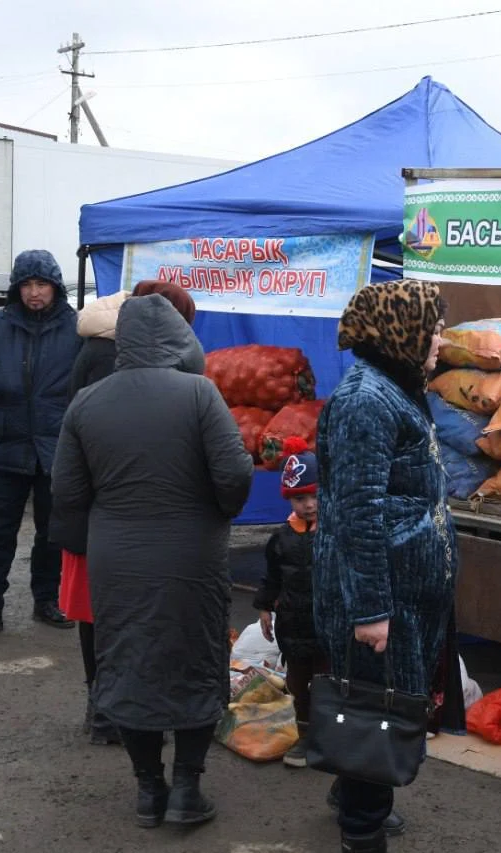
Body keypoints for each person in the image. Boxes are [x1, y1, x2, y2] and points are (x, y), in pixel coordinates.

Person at [52, 294, 252, 828]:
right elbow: (234, 476)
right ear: (176, 339)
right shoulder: (200, 394)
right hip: (193, 552)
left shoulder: (88, 403)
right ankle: (187, 790)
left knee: (128, 656)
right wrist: (216, 511)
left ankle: (148, 792)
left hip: (117, 556)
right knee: (195, 656)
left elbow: (66, 492)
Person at [313, 279, 456, 853]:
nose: (440, 341)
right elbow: (358, 513)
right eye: (434, 330)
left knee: (387, 700)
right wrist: (371, 609)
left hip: (406, 589)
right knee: (374, 706)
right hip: (380, 595)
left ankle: (360, 802)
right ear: (403, 334)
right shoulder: (366, 401)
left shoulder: (396, 390)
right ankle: (361, 830)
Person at [50, 280, 200, 746]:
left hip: (97, 516)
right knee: (104, 617)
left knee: (105, 616)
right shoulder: (106, 360)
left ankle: (108, 708)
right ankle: (105, 710)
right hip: (106, 518)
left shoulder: (107, 352)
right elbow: (106, 446)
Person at [0, 249, 81, 640]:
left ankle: (48, 600)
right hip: (9, 450)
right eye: (26, 284)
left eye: (41, 284)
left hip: (55, 451)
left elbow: (90, 382)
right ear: (16, 288)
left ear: (55, 286)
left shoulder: (75, 327)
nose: (34, 292)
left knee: (52, 534)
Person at [253, 436, 321, 768]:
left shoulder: (335, 533)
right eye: (300, 498)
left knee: (329, 681)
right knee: (298, 684)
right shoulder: (280, 538)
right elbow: (272, 577)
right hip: (293, 626)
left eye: (314, 495)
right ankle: (305, 736)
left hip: (327, 626)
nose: (308, 504)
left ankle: (331, 737)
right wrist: (265, 607)